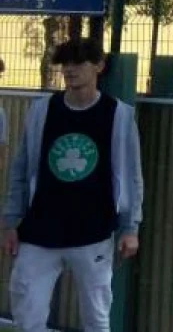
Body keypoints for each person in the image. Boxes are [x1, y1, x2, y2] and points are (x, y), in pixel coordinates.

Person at [2, 38, 144, 332]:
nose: (70, 70)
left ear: (99, 67)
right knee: (27, 314)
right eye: (65, 64)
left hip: (93, 232)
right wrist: (9, 221)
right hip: (39, 231)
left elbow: (131, 174)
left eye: (78, 63)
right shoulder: (42, 111)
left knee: (96, 316)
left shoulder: (118, 115)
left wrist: (131, 227)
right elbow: (21, 167)